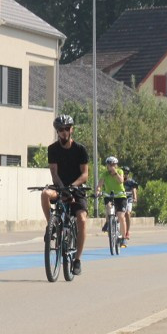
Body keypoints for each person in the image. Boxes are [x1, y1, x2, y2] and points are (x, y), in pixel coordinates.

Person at [39, 114, 89, 274]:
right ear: (57, 131)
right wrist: (63, 188)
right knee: (45, 194)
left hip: (77, 188)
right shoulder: (52, 149)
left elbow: (85, 174)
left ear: (71, 130)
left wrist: (72, 187)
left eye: (67, 129)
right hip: (60, 187)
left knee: (81, 219)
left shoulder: (80, 149)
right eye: (61, 130)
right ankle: (51, 226)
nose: (64, 132)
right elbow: (54, 172)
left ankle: (77, 260)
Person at [97, 156, 129, 246]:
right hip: (109, 195)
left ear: (116, 165)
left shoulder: (119, 171)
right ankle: (108, 222)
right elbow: (100, 184)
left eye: (113, 165)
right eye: (109, 165)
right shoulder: (105, 174)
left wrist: (115, 173)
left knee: (120, 216)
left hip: (120, 196)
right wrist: (98, 191)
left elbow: (120, 181)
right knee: (108, 207)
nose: (111, 167)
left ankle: (123, 238)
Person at [122, 166, 139, 241]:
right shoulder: (118, 180)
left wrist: (135, 197)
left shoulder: (131, 181)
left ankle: (127, 231)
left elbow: (134, 189)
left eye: (126, 173)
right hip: (120, 198)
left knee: (127, 213)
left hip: (128, 198)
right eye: (123, 173)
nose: (125, 175)